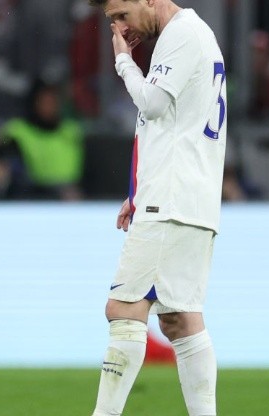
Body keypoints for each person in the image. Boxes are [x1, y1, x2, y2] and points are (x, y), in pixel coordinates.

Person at [86, 1, 227, 415]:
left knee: (123, 307)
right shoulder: (196, 34)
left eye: (121, 14)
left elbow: (153, 104)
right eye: (111, 21)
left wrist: (125, 63)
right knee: (180, 319)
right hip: (191, 197)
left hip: (171, 199)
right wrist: (138, 190)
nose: (118, 27)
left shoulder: (181, 34)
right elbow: (174, 125)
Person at [0, 76, 85, 200]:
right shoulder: (17, 131)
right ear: (34, 103)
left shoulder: (71, 131)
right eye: (45, 102)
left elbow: (87, 172)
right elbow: (16, 178)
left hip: (73, 199)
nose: (50, 107)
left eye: (53, 102)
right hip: (34, 199)